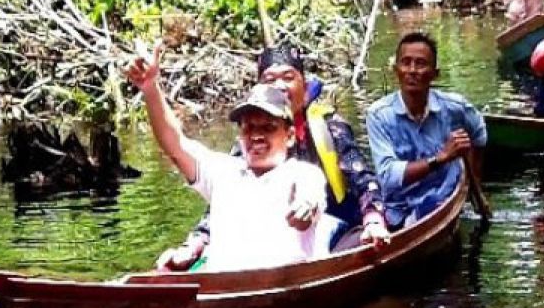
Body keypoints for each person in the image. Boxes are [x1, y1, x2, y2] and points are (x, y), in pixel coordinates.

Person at [156, 43, 390, 271]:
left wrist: (372, 220)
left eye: (288, 77)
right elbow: (219, 202)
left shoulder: (324, 139)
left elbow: (337, 187)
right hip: (250, 246)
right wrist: (195, 243)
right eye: (270, 80)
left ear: (304, 85)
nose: (279, 86)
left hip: (331, 229)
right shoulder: (233, 165)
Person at [126, 45, 338, 272]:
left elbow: (310, 197)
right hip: (220, 286)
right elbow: (174, 144)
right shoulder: (223, 171)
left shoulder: (303, 173)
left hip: (282, 285)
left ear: (289, 136)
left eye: (268, 127)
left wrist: (305, 207)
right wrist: (150, 87)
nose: (256, 136)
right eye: (249, 128)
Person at [366, 32, 489, 229]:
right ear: (395, 70)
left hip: (443, 197)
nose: (412, 70)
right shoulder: (379, 115)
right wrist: (441, 158)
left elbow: (479, 132)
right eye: (406, 63)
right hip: (398, 208)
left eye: (421, 64)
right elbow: (388, 176)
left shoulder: (454, 107)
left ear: (434, 73)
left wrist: (474, 183)